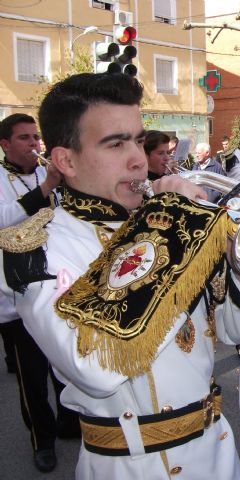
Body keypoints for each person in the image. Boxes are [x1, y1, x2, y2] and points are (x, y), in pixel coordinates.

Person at [0, 72, 240, 479]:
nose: (137, 158)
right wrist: (169, 232)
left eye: (136, 139)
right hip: (133, 465)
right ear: (65, 161)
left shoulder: (163, 221)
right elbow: (94, 366)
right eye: (115, 143)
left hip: (218, 453)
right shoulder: (36, 247)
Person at [0, 113, 79, 473]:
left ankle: (68, 421)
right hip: (15, 296)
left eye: (36, 138)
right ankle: (42, 441)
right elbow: (4, 221)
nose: (34, 144)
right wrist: (47, 186)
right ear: (5, 144)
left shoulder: (45, 174)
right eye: (24, 138)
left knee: (63, 361)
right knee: (31, 376)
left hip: (56, 284)